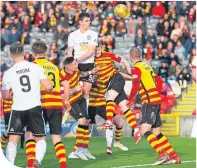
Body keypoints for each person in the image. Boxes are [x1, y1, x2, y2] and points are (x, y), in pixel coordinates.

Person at [1, 42, 53, 167]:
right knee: (40, 138)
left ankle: (10, 164)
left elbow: (5, 96)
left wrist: (13, 90)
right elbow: (49, 87)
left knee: (13, 141)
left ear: (11, 55)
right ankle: (37, 160)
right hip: (34, 106)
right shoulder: (35, 67)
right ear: (24, 53)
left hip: (18, 108)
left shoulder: (8, 73)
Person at [128, 47, 181, 165]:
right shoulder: (147, 66)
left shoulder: (135, 68)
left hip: (149, 102)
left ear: (131, 57)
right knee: (156, 133)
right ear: (140, 55)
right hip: (156, 101)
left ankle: (162, 154)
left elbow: (135, 86)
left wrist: (129, 99)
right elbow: (159, 81)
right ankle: (174, 156)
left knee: (144, 130)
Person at [93, 45, 141, 144]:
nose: (96, 51)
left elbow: (122, 60)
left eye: (98, 49)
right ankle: (136, 129)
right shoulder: (92, 61)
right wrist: (130, 77)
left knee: (110, 97)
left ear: (101, 48)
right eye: (94, 49)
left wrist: (127, 67)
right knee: (124, 106)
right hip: (116, 80)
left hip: (115, 79)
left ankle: (109, 121)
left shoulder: (107, 55)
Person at [31, 40, 67, 168]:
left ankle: (33, 162)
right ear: (46, 52)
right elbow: (66, 84)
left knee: (34, 136)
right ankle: (63, 165)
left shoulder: (32, 66)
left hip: (41, 104)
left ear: (32, 53)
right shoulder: (54, 67)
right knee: (57, 138)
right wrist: (66, 100)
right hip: (56, 104)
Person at [60, 56, 95, 161]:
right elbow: (62, 95)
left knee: (87, 124)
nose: (77, 65)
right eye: (75, 64)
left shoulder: (76, 70)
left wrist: (90, 72)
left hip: (80, 99)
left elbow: (82, 74)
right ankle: (78, 151)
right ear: (68, 66)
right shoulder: (61, 75)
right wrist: (75, 89)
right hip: (71, 102)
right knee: (82, 121)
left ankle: (83, 150)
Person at [67, 12, 98, 108]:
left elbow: (91, 51)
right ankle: (73, 112)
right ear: (80, 22)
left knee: (86, 91)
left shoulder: (93, 34)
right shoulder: (72, 35)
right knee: (74, 90)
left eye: (89, 20)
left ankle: (86, 115)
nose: (89, 22)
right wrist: (70, 63)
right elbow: (69, 51)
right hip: (76, 66)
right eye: (86, 21)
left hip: (88, 64)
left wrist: (77, 59)